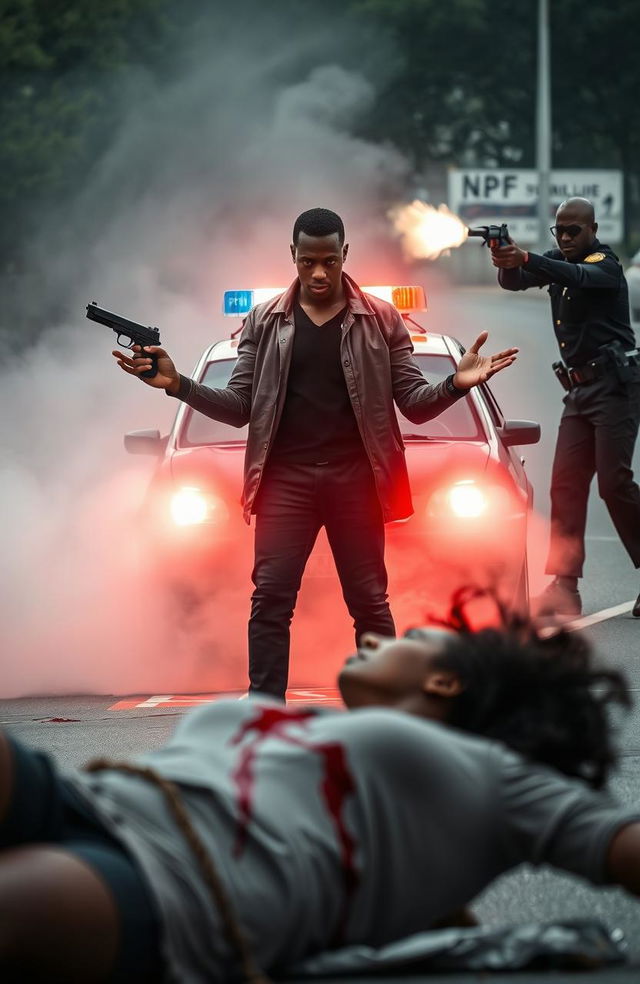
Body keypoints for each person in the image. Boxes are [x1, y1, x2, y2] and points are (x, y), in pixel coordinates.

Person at [2, 590, 640, 983]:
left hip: (171, 892)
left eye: (411, 639)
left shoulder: (486, 777)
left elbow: (616, 840)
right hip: (84, 801)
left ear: (446, 684)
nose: (370, 636)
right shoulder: (323, 729)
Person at [113, 207, 517, 699]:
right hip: (286, 480)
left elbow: (413, 405)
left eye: (329, 260)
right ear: (293, 257)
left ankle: (382, 710)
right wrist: (178, 385)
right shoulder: (263, 320)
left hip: (356, 481)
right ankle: (265, 711)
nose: (319, 272)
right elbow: (240, 406)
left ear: (345, 255)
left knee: (369, 602)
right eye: (308, 262)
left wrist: (455, 384)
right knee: (270, 600)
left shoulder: (381, 318)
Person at [490, 196, 640, 618]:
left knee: (615, 484)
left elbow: (577, 275)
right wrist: (506, 258)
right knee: (565, 485)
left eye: (575, 230)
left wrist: (527, 256)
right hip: (578, 392)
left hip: (616, 387)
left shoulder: (606, 265)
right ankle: (564, 588)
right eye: (561, 231)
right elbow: (513, 282)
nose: (567, 237)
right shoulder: (558, 257)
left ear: (592, 228)